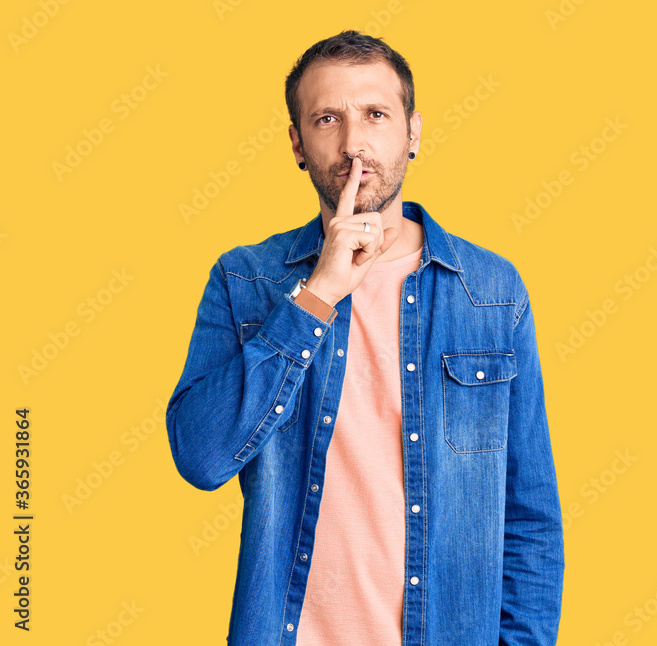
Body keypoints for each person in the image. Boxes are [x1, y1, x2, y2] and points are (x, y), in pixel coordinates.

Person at [165, 30, 564, 645]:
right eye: (327, 119)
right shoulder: (245, 280)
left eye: (376, 114)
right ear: (297, 144)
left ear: (413, 133)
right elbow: (201, 457)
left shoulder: (489, 290)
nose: (354, 143)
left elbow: (529, 519)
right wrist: (318, 294)